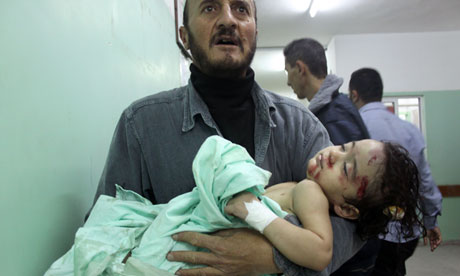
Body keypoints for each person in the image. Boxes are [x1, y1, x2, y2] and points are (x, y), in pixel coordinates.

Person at [88, 0, 363, 275]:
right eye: (209, 8)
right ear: (184, 37)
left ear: (255, 31)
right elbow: (104, 232)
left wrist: (272, 257)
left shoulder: (300, 127)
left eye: (241, 9)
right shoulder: (141, 125)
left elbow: (357, 225)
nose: (228, 20)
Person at [46, 136, 423, 276]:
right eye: (344, 147)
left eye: (347, 167)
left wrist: (251, 212)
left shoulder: (311, 193)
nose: (331, 155)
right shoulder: (309, 187)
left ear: (348, 212)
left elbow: (321, 252)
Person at [348, 68, 443, 276]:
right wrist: (430, 221)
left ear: (354, 94)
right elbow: (424, 182)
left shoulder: (354, 130)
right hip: (405, 234)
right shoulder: (409, 130)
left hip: (368, 233)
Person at [283, 38, 369, 145]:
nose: (288, 82)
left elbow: (344, 160)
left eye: (288, 72)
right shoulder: (335, 108)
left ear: (300, 69)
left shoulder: (334, 116)